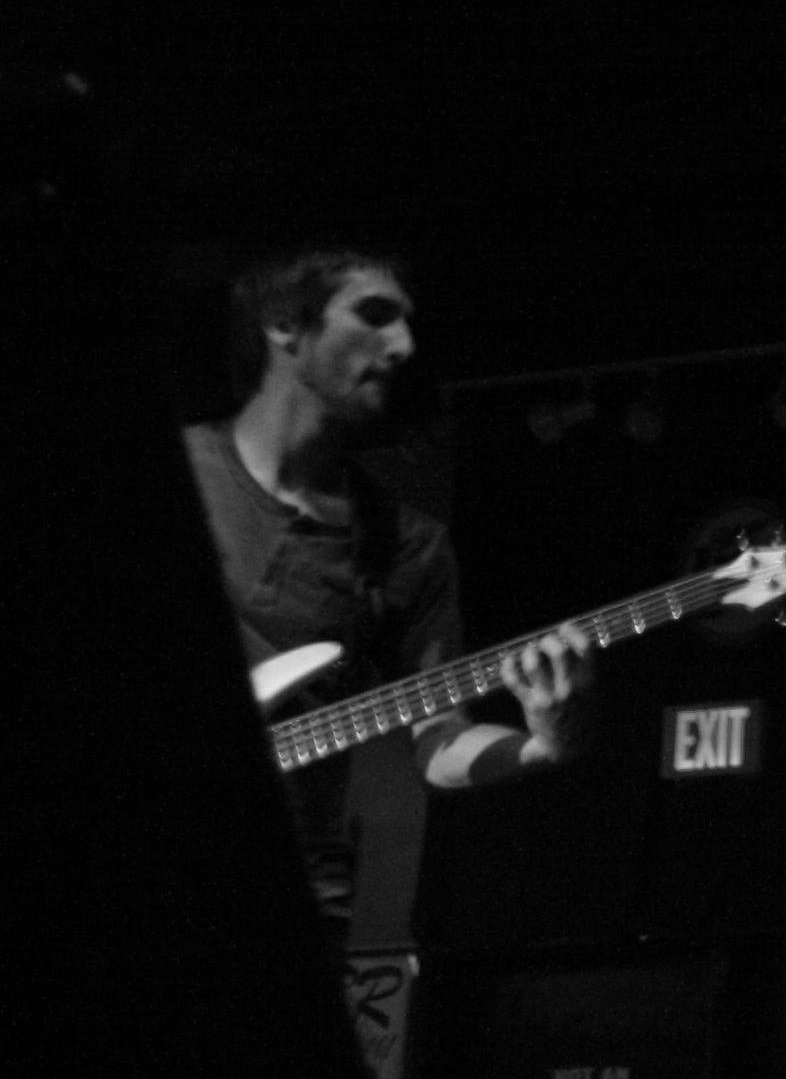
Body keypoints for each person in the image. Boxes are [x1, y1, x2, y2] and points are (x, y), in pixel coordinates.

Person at [189, 248, 589, 934]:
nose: (402, 345)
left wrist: (542, 746)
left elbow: (441, 741)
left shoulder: (408, 547)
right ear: (284, 325)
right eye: (373, 316)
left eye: (406, 322)